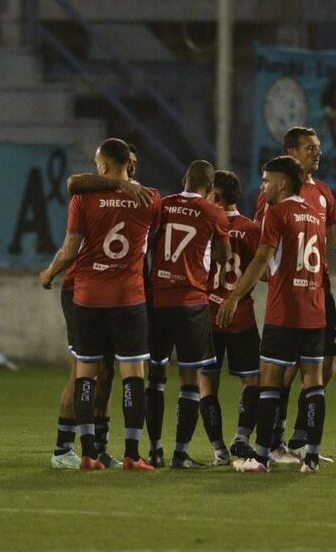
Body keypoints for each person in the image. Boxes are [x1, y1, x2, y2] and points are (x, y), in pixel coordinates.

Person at [254, 127, 336, 463]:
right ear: (290, 152)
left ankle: (299, 440)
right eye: (310, 147)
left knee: (327, 367)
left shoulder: (322, 192)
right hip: (291, 296)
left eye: (319, 147)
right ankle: (275, 441)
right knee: (286, 370)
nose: (317, 153)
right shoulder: (274, 193)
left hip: (321, 293)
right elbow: (261, 241)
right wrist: (271, 277)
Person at [40, 138, 161, 471]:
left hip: (88, 295)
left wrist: (49, 271)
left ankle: (94, 451)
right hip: (123, 297)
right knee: (127, 373)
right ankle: (110, 452)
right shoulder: (151, 199)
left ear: (104, 165)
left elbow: (70, 246)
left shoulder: (85, 198)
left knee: (92, 372)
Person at [218, 156, 329, 474]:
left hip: (285, 313)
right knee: (314, 384)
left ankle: (261, 458)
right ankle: (311, 458)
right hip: (315, 309)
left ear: (282, 182)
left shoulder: (276, 213)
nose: (263, 185)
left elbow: (260, 261)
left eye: (267, 180)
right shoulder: (313, 216)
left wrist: (234, 297)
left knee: (269, 383)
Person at [145, 160, 230, 469]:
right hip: (192, 303)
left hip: (159, 302)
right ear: (210, 189)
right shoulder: (213, 212)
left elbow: (148, 245)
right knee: (190, 381)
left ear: (184, 180)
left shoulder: (163, 206)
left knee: (155, 378)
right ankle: (180, 453)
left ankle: (154, 450)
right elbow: (224, 256)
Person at [201, 171, 263, 463]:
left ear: (216, 195)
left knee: (205, 385)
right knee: (252, 382)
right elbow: (261, 273)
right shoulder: (251, 229)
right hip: (242, 317)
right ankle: (241, 437)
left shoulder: (204, 225)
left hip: (207, 317)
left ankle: (219, 451)